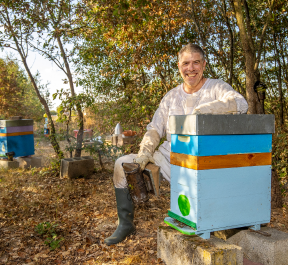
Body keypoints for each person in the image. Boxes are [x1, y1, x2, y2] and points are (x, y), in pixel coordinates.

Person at [104, 43, 249, 246]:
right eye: (186, 63)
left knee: (212, 207)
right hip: (170, 157)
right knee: (121, 164)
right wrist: (144, 153)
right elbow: (155, 129)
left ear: (204, 65)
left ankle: (224, 224)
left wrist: (206, 109)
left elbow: (241, 103)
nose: (191, 68)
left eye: (196, 63)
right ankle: (125, 225)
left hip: (207, 160)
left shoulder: (216, 87)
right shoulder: (171, 96)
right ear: (179, 66)